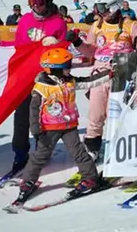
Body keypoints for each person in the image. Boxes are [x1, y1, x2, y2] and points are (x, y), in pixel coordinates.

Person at [13, 49, 111, 205]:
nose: (69, 69)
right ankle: (28, 181)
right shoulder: (41, 87)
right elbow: (34, 110)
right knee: (40, 157)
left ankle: (90, 178)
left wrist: (108, 75)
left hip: (69, 126)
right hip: (49, 129)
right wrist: (36, 130)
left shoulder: (69, 80)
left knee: (79, 153)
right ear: (53, 69)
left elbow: (89, 81)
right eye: (66, 66)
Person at [0, 0, 68, 176]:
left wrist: (57, 45)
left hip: (45, 78)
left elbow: (64, 51)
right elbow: (20, 46)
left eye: (39, 1)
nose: (35, 6)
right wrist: (2, 46)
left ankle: (42, 151)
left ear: (48, 1)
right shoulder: (26, 20)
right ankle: (20, 153)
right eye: (31, 1)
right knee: (21, 116)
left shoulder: (58, 22)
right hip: (25, 76)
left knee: (42, 117)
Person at [67, 0, 137, 160]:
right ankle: (92, 149)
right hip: (99, 74)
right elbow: (91, 51)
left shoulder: (131, 25)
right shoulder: (97, 26)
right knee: (95, 114)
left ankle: (121, 151)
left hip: (122, 75)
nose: (100, 13)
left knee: (117, 115)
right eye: (98, 8)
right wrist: (77, 42)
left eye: (103, 8)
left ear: (114, 6)